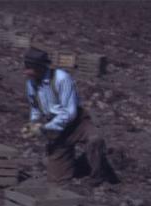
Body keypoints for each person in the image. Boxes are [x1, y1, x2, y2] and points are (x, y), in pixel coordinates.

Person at [23, 47, 117, 185]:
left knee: (95, 139)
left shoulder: (62, 79)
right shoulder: (31, 83)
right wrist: (33, 124)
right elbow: (35, 107)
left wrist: (45, 128)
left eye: (30, 68)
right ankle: (81, 164)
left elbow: (69, 113)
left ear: (40, 68)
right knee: (57, 180)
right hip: (57, 130)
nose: (26, 71)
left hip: (77, 123)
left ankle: (98, 175)